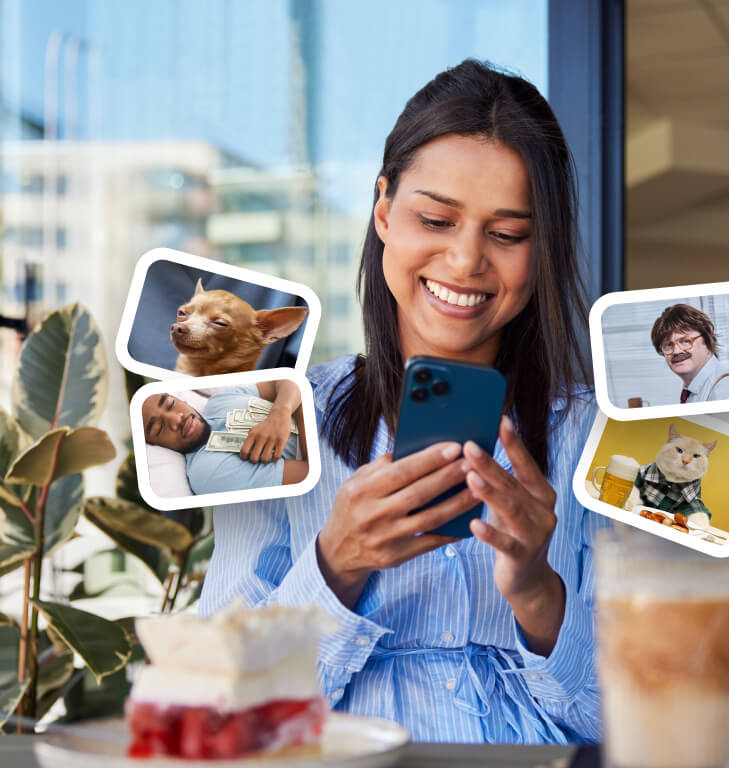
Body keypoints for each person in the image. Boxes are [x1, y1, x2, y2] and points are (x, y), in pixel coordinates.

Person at [197, 60, 610, 744]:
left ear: (544, 247)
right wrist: (335, 564)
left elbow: (653, 721)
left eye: (507, 234)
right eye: (436, 219)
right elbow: (216, 716)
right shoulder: (271, 420)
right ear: (383, 210)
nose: (465, 261)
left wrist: (538, 593)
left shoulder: (599, 436)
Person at [141, 380, 309, 494]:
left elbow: (287, 382)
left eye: (171, 404)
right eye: (159, 428)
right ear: (158, 445)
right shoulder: (206, 473)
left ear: (184, 401)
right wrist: (299, 406)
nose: (177, 419)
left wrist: (282, 411)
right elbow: (310, 475)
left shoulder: (220, 400)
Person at [650, 303, 729, 404]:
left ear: (707, 341)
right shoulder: (692, 392)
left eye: (686, 341)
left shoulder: (728, 390)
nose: (676, 351)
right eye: (669, 345)